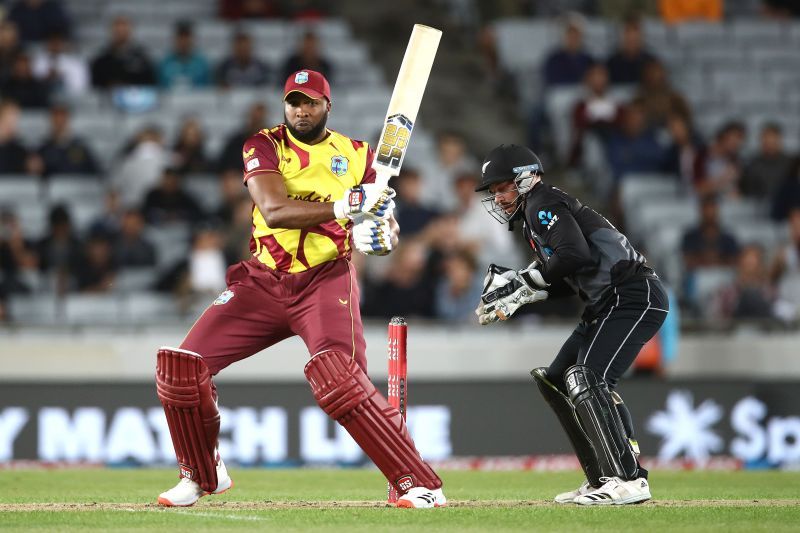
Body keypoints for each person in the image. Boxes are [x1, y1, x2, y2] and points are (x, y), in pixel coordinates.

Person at [155, 69, 445, 509]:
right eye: (294, 101)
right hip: (262, 280)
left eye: (310, 101)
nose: (301, 109)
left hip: (325, 280)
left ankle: (419, 484)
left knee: (341, 382)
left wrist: (383, 235)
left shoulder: (359, 154)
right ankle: (201, 471)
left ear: (328, 105)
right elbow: (272, 210)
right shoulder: (264, 144)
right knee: (182, 368)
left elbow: (382, 219)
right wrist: (346, 205)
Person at [474, 144, 668, 505]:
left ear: (525, 178)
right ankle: (602, 478)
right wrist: (526, 292)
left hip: (631, 293)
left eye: (502, 187)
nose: (498, 197)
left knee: (587, 377)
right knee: (558, 379)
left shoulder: (541, 203)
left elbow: (573, 254)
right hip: (608, 300)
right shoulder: (537, 211)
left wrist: (526, 281)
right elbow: (571, 272)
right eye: (494, 191)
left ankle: (629, 480)